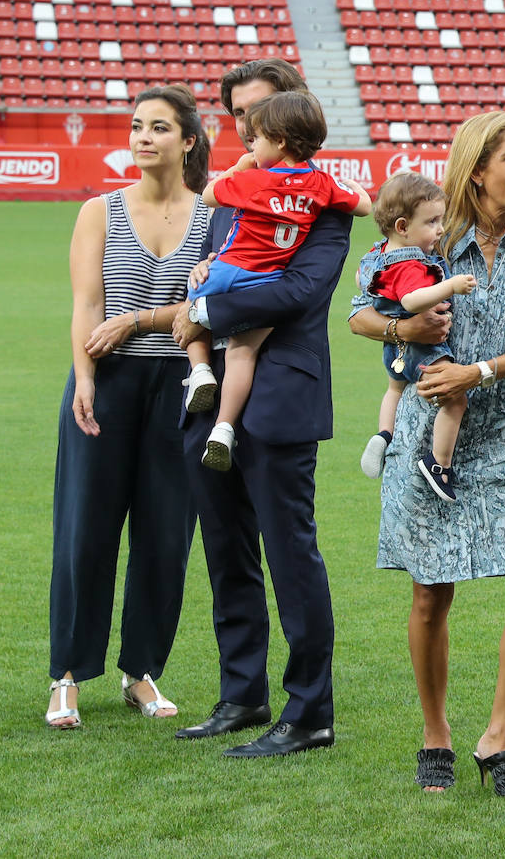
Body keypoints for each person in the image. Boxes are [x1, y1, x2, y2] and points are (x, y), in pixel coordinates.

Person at [349, 111, 505, 797]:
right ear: (477, 169)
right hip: (429, 441)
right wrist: (404, 324)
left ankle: (498, 738)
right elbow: (359, 311)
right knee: (429, 595)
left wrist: (476, 374)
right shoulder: (428, 237)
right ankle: (435, 736)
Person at [171, 58, 355, 757]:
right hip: (211, 393)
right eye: (238, 113)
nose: (246, 124)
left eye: (259, 109)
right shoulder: (242, 192)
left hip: (281, 397)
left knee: (289, 555)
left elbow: (299, 294)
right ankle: (242, 696)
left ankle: (310, 714)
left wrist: (206, 306)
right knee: (226, 553)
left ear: (292, 114)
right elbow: (219, 264)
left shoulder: (324, 201)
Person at [46, 84, 212, 729]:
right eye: (137, 126)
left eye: (160, 128)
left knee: (166, 538)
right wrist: (85, 379)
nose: (143, 137)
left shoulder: (213, 215)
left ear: (188, 140)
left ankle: (141, 671)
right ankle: (66, 675)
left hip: (183, 389)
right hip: (105, 386)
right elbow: (88, 307)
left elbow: (209, 307)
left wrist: (141, 321)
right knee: (85, 533)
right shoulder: (100, 210)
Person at [182, 90, 371, 471]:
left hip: (227, 269)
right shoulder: (321, 186)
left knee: (193, 302)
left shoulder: (254, 182)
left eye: (257, 139)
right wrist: (352, 186)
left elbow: (207, 196)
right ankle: (223, 428)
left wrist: (241, 166)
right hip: (265, 279)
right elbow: (364, 205)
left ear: (279, 140)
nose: (252, 146)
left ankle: (200, 369)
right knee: (243, 352)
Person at [355, 172, 477, 496]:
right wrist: (450, 286)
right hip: (422, 349)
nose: (440, 230)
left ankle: (384, 435)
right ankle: (439, 463)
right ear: (403, 227)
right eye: (432, 222)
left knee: (394, 390)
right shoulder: (412, 263)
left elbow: (361, 280)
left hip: (393, 349)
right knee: (455, 399)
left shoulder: (378, 254)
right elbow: (411, 299)